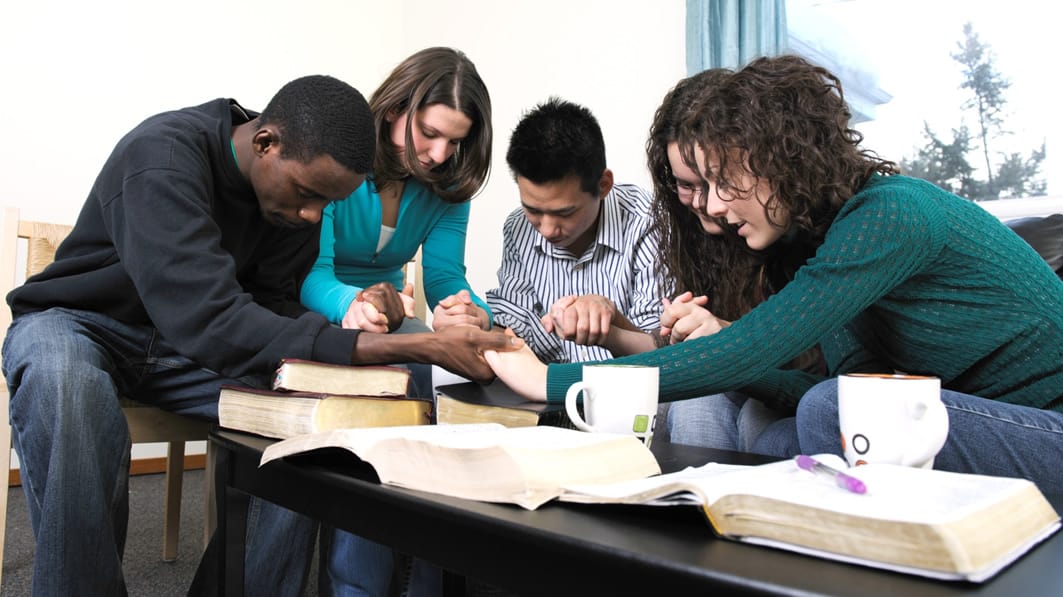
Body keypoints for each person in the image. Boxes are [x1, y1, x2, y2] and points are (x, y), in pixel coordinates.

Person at [2, 75, 520, 597]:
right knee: (63, 381)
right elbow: (210, 318)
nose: (311, 216)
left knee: (312, 413)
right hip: (80, 325)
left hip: (188, 353)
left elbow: (272, 305)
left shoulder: (297, 201)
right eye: (307, 196)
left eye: (325, 205)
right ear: (264, 144)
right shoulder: (161, 156)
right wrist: (417, 344)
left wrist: (372, 320)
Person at [484, 55, 1063, 494]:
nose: (708, 207)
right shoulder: (823, 242)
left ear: (781, 162)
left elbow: (803, 380)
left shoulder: (892, 215)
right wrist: (737, 361)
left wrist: (550, 382)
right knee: (780, 424)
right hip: (963, 421)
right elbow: (827, 382)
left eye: (722, 182)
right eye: (699, 186)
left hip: (1049, 430)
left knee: (827, 410)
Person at [302, 48, 493, 597]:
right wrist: (352, 307)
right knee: (392, 387)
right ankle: (355, 587)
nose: (439, 154)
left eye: (455, 141)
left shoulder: (448, 188)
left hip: (386, 315)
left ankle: (426, 582)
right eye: (431, 133)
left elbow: (444, 276)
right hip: (324, 308)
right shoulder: (340, 157)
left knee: (461, 376)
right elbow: (313, 273)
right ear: (394, 110)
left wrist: (468, 311)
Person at [646, 70, 825, 452]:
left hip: (799, 394)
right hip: (741, 391)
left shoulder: (811, 234)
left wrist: (727, 339)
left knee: (745, 414)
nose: (706, 203)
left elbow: (822, 372)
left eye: (716, 180)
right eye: (687, 185)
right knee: (697, 398)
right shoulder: (696, 239)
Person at [485, 97, 662, 363]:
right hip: (549, 395)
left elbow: (662, 348)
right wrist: (478, 321)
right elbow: (513, 323)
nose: (546, 229)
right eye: (532, 210)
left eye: (564, 213)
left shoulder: (647, 220)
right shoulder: (517, 227)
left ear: (603, 185)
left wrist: (610, 321)